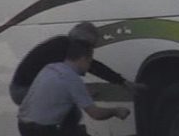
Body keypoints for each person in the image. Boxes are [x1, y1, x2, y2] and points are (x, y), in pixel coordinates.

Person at [17, 38, 130, 136]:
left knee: (73, 132)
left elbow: (57, 90)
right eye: (89, 62)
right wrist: (116, 111)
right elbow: (96, 114)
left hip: (23, 126)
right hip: (41, 131)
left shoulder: (51, 68)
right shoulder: (72, 79)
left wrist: (85, 93)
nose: (88, 67)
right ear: (83, 59)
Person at [9, 22, 139, 106]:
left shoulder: (65, 45)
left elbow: (93, 66)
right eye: (89, 47)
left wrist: (121, 81)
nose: (88, 52)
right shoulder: (61, 49)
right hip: (24, 90)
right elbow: (62, 78)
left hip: (24, 88)